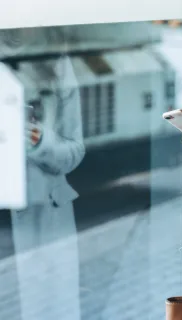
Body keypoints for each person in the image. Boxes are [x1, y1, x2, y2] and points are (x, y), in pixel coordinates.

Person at [9, 54, 84, 320]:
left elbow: (74, 152)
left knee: (49, 307)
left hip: (43, 220)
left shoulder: (56, 62)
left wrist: (40, 142)